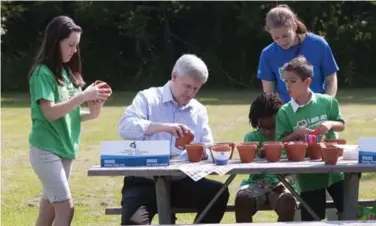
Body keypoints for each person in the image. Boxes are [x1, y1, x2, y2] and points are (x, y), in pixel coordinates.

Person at [118, 54, 230, 225]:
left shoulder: (198, 110)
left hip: (181, 181)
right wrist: (163, 127)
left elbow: (207, 147)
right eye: (187, 86)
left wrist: (200, 151)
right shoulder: (148, 98)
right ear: (174, 76)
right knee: (133, 222)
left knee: (218, 192)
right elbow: (125, 128)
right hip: (143, 181)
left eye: (195, 89)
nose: (190, 93)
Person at [28, 16, 111, 226]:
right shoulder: (42, 73)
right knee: (65, 208)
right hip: (46, 150)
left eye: (77, 46)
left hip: (65, 150)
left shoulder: (66, 73)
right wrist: (82, 96)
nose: (74, 50)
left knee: (48, 213)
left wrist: (94, 108)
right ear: (56, 42)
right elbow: (51, 113)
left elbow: (71, 115)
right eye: (70, 45)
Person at [275, 56, 345, 221]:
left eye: (293, 81)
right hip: (308, 174)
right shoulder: (285, 111)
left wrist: (329, 124)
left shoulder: (327, 102)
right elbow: (280, 143)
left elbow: (341, 124)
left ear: (307, 82)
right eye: (286, 81)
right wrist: (297, 133)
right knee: (312, 219)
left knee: (348, 210)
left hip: (335, 169)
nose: (288, 85)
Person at [235, 93, 297, 222]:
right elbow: (247, 166)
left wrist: (287, 182)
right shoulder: (251, 138)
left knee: (287, 201)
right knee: (242, 199)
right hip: (257, 183)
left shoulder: (290, 138)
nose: (268, 132)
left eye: (272, 127)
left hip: (284, 182)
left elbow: (297, 170)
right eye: (262, 127)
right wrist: (258, 156)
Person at [257, 4, 339, 103]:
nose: (282, 42)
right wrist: (282, 114)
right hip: (286, 112)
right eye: (276, 38)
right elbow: (269, 94)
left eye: (285, 35)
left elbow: (331, 80)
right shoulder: (267, 54)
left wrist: (327, 102)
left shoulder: (319, 44)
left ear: (294, 27)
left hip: (318, 110)